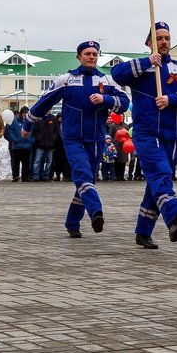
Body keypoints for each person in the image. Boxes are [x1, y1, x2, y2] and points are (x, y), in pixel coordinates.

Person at [111, 22, 177, 249]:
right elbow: (117, 74)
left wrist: (171, 99)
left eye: (167, 38)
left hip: (173, 133)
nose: (163, 42)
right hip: (147, 132)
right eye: (158, 38)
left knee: (157, 181)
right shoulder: (141, 68)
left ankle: (143, 231)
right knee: (161, 173)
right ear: (149, 43)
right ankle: (173, 216)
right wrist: (147, 62)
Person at [27, 40, 130, 238]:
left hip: (97, 138)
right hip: (73, 138)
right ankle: (96, 212)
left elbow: (124, 103)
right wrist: (28, 123)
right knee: (83, 176)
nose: (91, 56)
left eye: (94, 53)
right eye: (87, 53)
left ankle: (72, 222)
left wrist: (106, 99)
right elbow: (45, 101)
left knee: (87, 182)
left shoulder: (107, 81)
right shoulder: (67, 79)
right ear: (79, 57)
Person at [5, 108, 34, 182]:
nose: (25, 114)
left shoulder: (30, 122)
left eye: (26, 113)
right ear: (21, 113)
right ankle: (15, 176)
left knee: (26, 163)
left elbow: (35, 131)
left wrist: (32, 140)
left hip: (27, 145)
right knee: (15, 162)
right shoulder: (14, 121)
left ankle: (25, 177)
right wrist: (15, 139)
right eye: (23, 113)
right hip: (17, 146)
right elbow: (9, 130)